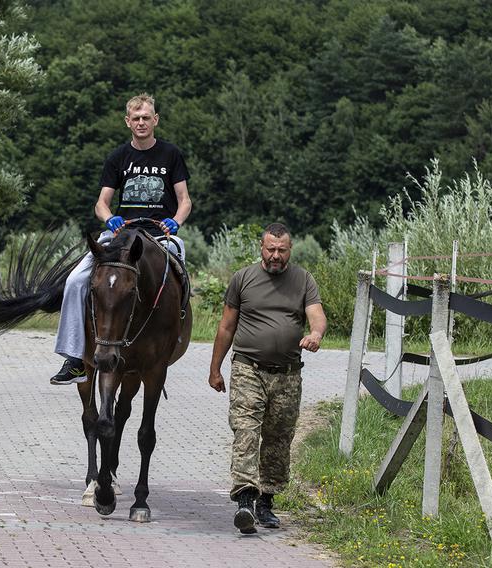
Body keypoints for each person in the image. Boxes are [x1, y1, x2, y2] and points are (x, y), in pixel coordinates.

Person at [50, 93, 192, 385]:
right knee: (75, 281)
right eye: (136, 118)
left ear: (155, 120)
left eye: (146, 117)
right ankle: (75, 357)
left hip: (158, 235)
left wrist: (175, 221)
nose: (141, 122)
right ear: (128, 122)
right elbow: (101, 203)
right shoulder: (117, 157)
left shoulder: (171, 154)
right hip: (120, 235)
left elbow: (185, 200)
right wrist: (108, 218)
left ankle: (173, 333)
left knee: (181, 271)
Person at [208, 223, 327, 534]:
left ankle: (266, 503)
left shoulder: (303, 279)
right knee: (246, 431)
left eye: (282, 250)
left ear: (289, 250)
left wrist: (315, 334)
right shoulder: (242, 279)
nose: (276, 255)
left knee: (277, 440)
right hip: (248, 368)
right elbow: (225, 327)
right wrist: (214, 368)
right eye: (271, 249)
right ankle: (245, 500)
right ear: (261, 248)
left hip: (287, 375)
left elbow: (316, 314)